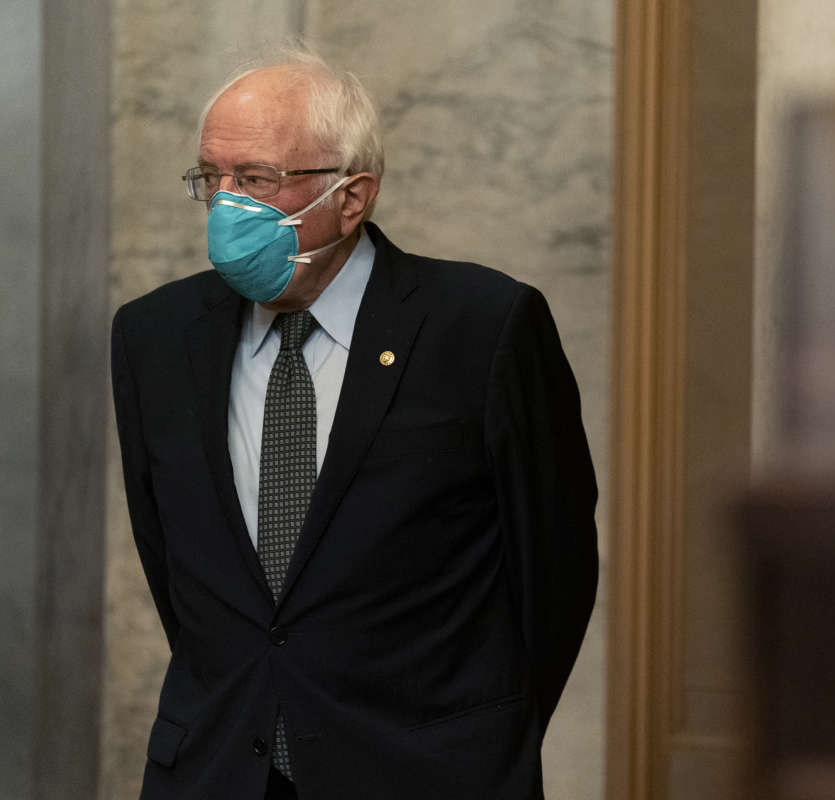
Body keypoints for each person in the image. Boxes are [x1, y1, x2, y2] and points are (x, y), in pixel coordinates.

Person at [111, 45, 598, 800]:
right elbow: (178, 574)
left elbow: (554, 574)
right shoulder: (154, 337)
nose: (227, 204)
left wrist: (480, 738)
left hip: (426, 771)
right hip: (216, 769)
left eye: (259, 179)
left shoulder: (484, 328)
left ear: (352, 195)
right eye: (213, 177)